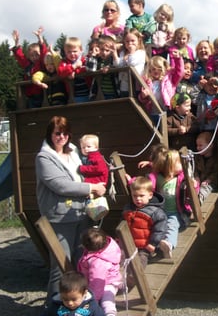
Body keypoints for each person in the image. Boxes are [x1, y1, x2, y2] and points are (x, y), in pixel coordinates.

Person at [35, 116, 106, 309]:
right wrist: (91, 188)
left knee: (81, 262)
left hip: (80, 213)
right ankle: (51, 308)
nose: (61, 137)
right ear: (50, 134)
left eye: (65, 133)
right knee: (60, 267)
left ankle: (78, 307)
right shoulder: (44, 157)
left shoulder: (74, 150)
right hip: (60, 217)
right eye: (57, 133)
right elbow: (60, 185)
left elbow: (92, 167)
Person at [122, 176, 168, 270]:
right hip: (130, 243)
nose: (138, 199)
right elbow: (123, 224)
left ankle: (134, 277)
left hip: (145, 246)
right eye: (134, 196)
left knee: (141, 260)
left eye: (141, 196)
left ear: (150, 195)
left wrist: (153, 243)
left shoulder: (155, 212)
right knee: (120, 258)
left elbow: (160, 230)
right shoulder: (128, 208)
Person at [77, 227, 122, 316]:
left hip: (108, 283)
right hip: (110, 277)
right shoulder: (109, 244)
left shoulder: (97, 263)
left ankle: (110, 313)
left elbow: (97, 284)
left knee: (107, 299)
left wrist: (94, 299)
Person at [139, 49, 184, 125]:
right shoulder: (148, 82)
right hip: (152, 112)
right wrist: (143, 96)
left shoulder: (170, 80)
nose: (156, 71)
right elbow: (142, 98)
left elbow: (180, 72)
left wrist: (178, 59)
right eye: (153, 69)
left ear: (164, 68)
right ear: (149, 70)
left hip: (166, 112)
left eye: (159, 68)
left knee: (164, 131)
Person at [10, 26, 49, 108]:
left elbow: (44, 52)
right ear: (29, 56)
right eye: (32, 55)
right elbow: (20, 56)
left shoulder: (41, 62)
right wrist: (16, 43)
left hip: (43, 93)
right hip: (31, 95)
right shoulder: (27, 64)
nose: (34, 57)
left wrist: (40, 37)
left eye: (36, 55)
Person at [112, 28, 147, 97]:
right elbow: (118, 65)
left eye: (133, 41)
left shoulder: (140, 53)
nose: (130, 43)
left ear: (138, 41)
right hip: (124, 86)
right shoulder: (123, 53)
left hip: (136, 85)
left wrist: (131, 51)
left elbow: (131, 63)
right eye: (127, 41)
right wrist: (114, 52)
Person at [57, 37, 92, 103]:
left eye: (75, 51)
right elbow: (60, 72)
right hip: (75, 96)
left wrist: (74, 71)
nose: (72, 54)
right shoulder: (64, 62)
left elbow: (88, 69)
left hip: (89, 93)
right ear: (65, 52)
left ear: (80, 50)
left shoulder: (84, 60)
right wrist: (73, 67)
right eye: (69, 52)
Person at [193, 131, 218, 203]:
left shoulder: (215, 158)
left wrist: (209, 180)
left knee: (205, 189)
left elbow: (216, 172)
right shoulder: (197, 157)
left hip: (210, 184)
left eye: (200, 145)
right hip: (200, 182)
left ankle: (199, 201)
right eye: (197, 145)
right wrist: (196, 177)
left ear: (210, 145)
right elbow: (195, 169)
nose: (198, 148)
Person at [95, 35, 119, 100]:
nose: (104, 52)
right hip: (100, 93)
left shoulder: (112, 60)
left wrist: (110, 67)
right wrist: (94, 54)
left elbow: (117, 65)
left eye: (107, 50)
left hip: (113, 92)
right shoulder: (97, 60)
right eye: (102, 49)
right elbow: (89, 68)